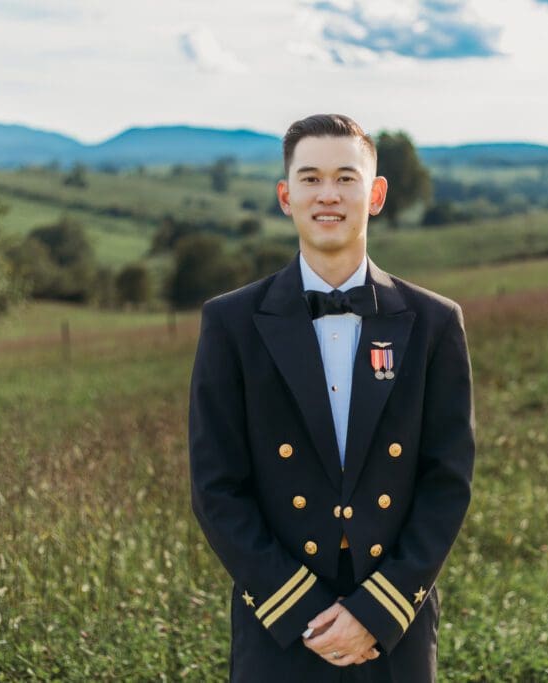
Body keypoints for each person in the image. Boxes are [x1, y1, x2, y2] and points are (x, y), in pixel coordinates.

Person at [188, 113, 475, 682]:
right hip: (279, 620)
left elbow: (447, 480)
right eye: (310, 178)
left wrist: (375, 611)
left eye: (346, 178)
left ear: (376, 195)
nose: (328, 195)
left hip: (394, 619)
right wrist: (303, 611)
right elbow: (216, 486)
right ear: (285, 196)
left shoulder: (434, 322)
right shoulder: (231, 322)